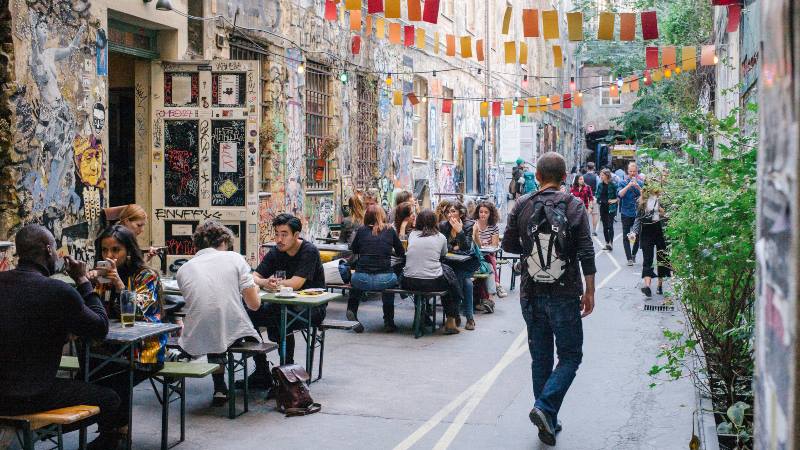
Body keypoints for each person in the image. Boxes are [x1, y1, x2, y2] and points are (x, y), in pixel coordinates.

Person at [501, 152, 596, 446]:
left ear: (538, 177)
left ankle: (548, 421)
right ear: (564, 177)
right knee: (570, 356)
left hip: (531, 292)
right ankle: (545, 409)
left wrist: (531, 245)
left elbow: (507, 244)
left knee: (540, 357)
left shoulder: (522, 204)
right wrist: (590, 289)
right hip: (565, 293)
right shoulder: (574, 206)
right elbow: (586, 251)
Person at [0, 225, 121, 450]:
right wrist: (84, 281)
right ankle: (35, 433)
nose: (57, 254)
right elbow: (100, 327)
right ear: (48, 250)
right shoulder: (58, 291)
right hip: (31, 394)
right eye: (55, 249)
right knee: (110, 400)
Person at [90, 224, 165, 447]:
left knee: (115, 373)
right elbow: (94, 312)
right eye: (104, 251)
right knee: (92, 368)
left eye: (115, 250)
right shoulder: (101, 277)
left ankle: (118, 432)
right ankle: (108, 430)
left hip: (144, 350)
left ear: (128, 251)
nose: (109, 256)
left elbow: (144, 311)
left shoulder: (145, 276)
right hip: (110, 347)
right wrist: (91, 285)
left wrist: (120, 285)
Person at [176, 220, 263, 405]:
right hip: (233, 331)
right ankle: (262, 375)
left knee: (214, 323)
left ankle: (219, 388)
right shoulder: (234, 258)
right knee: (227, 323)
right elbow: (254, 305)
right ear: (224, 242)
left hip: (196, 334)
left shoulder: (183, 269)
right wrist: (255, 288)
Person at [250, 214, 326, 370]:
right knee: (248, 314)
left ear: (296, 235)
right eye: (277, 234)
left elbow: (296, 283)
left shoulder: (308, 251)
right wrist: (265, 282)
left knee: (281, 316)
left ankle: (287, 369)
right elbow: (253, 277)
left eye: (284, 234)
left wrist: (271, 283)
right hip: (282, 306)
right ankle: (261, 369)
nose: (279, 239)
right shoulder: (276, 251)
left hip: (312, 308)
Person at [347, 205, 406, 333]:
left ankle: (352, 310)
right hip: (384, 279)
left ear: (366, 216)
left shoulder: (361, 230)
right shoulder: (390, 230)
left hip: (361, 278)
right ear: (382, 215)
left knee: (355, 281)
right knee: (390, 288)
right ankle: (389, 321)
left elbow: (354, 249)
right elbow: (401, 252)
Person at [402, 210, 462, 334]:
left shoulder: (412, 235)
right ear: (435, 222)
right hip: (432, 283)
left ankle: (424, 315)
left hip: (409, 282)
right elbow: (444, 254)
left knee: (440, 275)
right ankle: (451, 320)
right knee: (450, 281)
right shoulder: (441, 237)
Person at [440, 201, 478, 330]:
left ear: (460, 213)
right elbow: (444, 246)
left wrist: (460, 231)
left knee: (459, 279)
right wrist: (455, 247)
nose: (450, 215)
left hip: (466, 264)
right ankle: (468, 318)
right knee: (466, 283)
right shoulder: (443, 226)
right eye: (447, 212)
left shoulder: (468, 225)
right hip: (449, 264)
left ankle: (455, 315)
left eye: (453, 211)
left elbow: (467, 247)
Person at [631, 185, 671, 297]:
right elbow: (638, 219)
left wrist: (662, 212)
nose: (655, 194)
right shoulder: (641, 201)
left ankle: (660, 285)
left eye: (656, 192)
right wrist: (634, 232)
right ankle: (647, 286)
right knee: (647, 259)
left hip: (660, 231)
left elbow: (669, 217)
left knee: (662, 258)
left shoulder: (662, 200)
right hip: (647, 232)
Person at [471, 201, 507, 298]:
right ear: (477, 213)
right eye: (481, 212)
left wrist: (484, 244)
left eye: (486, 212)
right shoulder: (473, 225)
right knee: (489, 261)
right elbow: (473, 241)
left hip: (488, 254)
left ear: (490, 214)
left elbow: (494, 245)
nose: (483, 214)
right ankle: (497, 284)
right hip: (475, 254)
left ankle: (491, 292)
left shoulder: (493, 227)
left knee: (489, 258)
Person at [618, 162, 644, 266]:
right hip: (626, 212)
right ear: (627, 171)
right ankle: (629, 258)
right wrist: (628, 185)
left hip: (637, 213)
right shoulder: (622, 182)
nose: (632, 173)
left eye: (634, 171)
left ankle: (633, 255)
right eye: (630, 171)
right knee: (626, 236)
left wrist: (638, 187)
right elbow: (620, 194)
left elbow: (645, 196)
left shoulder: (641, 183)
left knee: (636, 235)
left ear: (637, 172)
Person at [596, 169, 619, 251]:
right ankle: (606, 243)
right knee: (605, 227)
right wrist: (598, 200)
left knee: (610, 225)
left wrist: (614, 200)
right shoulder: (600, 185)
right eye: (600, 175)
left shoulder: (613, 184)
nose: (600, 176)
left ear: (606, 175)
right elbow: (597, 195)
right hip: (603, 207)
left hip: (611, 208)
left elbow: (619, 195)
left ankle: (611, 243)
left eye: (602, 175)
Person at [583, 162, 600, 236]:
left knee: (585, 214)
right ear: (594, 168)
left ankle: (585, 230)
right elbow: (598, 187)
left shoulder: (583, 177)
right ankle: (594, 230)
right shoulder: (596, 177)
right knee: (595, 214)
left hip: (584, 197)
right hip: (593, 197)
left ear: (587, 168)